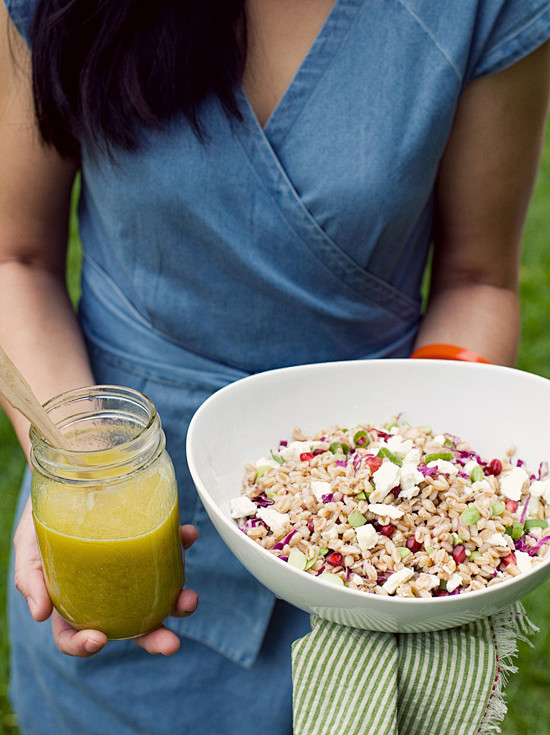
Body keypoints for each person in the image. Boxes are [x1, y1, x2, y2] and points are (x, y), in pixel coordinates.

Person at [1, 0, 549, 733]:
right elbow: (17, 255)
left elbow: (476, 281)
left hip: (379, 539)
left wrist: (421, 480)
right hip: (127, 497)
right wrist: (87, 468)